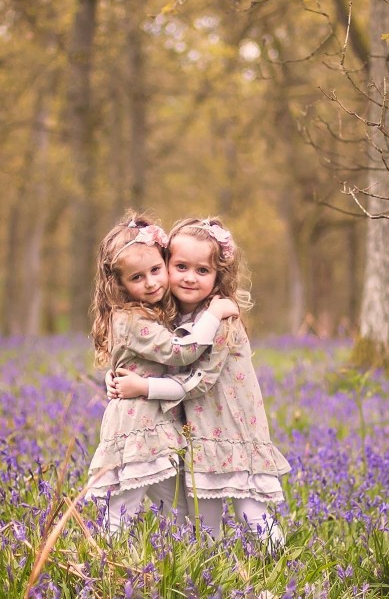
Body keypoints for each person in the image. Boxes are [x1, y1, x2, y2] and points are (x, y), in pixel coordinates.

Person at [107, 217, 291, 547]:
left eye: (202, 271)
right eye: (180, 266)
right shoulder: (168, 314)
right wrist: (116, 376)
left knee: (250, 511)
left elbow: (198, 381)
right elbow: (151, 354)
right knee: (202, 523)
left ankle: (282, 564)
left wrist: (143, 388)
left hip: (230, 432)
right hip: (196, 436)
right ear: (166, 265)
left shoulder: (220, 319)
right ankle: (209, 574)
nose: (190, 277)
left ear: (219, 275)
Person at [87, 212, 238, 534]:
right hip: (136, 426)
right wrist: (213, 314)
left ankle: (190, 562)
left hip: (160, 428)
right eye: (137, 278)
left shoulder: (154, 312)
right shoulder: (129, 319)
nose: (152, 282)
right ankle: (105, 560)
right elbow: (180, 351)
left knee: (179, 509)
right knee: (125, 503)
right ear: (120, 285)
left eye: (156, 270)